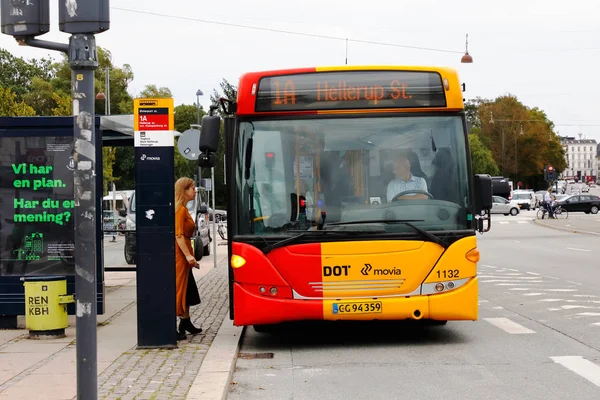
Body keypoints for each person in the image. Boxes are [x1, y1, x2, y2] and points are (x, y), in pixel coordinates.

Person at [174, 177, 203, 340]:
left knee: (188, 288)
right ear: (184, 191)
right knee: (180, 288)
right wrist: (189, 256)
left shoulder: (182, 209)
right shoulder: (179, 210)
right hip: (180, 255)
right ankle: (180, 322)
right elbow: (179, 236)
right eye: (192, 188)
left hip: (183, 253)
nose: (195, 190)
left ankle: (185, 322)